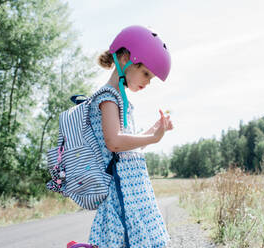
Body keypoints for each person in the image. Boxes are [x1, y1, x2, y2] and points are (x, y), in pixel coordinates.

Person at [87, 25, 173, 248]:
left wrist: (152, 131)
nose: (148, 82)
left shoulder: (120, 98)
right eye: (146, 73)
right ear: (125, 58)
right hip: (121, 191)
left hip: (133, 189)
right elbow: (114, 142)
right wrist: (152, 139)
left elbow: (126, 146)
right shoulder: (108, 97)